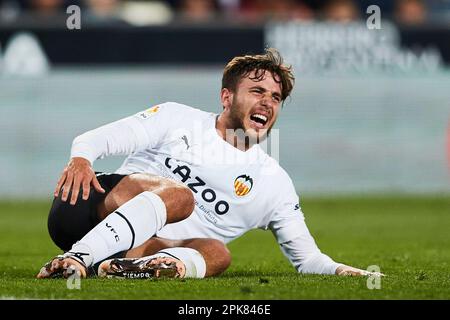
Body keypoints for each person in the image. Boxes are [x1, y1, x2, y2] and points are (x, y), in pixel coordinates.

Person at [37, 48, 382, 280]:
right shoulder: (177, 117)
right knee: (181, 197)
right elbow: (96, 139)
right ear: (226, 97)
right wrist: (80, 159)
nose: (268, 103)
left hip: (134, 246)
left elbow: (307, 259)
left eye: (276, 98)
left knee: (217, 253)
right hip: (85, 209)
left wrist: (343, 271)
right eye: (257, 91)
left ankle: (133, 267)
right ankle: (78, 256)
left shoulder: (274, 183)